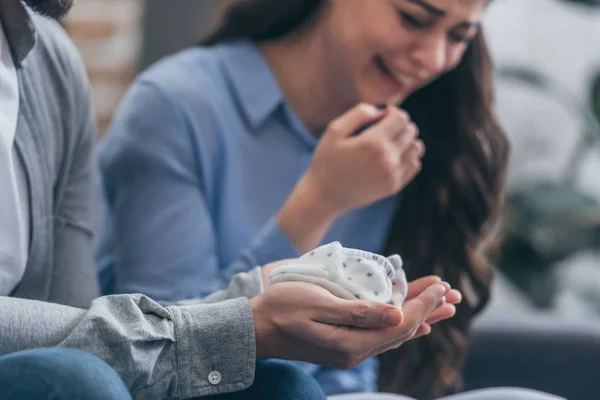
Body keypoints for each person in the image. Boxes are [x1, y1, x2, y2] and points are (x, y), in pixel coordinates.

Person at [0, 0, 464, 399]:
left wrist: (261, 297)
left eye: (460, 34)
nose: (433, 56)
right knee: (78, 380)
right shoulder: (176, 103)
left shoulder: (52, 64)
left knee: (286, 387)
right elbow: (151, 338)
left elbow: (85, 327)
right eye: (412, 17)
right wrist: (317, 206)